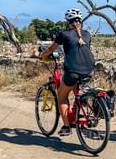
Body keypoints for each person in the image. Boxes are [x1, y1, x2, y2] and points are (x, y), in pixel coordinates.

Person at [39, 8, 95, 136]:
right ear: (80, 21)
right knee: (78, 92)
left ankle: (66, 127)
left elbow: (51, 49)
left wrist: (42, 55)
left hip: (73, 71)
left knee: (62, 96)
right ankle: (79, 115)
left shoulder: (64, 34)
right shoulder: (87, 34)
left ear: (67, 21)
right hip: (89, 70)